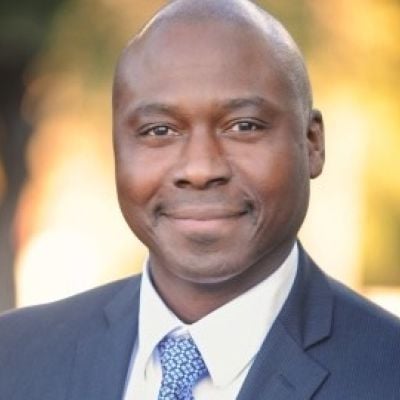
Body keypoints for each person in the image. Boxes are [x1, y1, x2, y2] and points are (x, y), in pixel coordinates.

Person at [1, 0, 399, 399]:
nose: (200, 168)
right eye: (159, 131)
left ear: (312, 143)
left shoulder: (387, 370)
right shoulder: (14, 356)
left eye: (244, 126)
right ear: (117, 148)